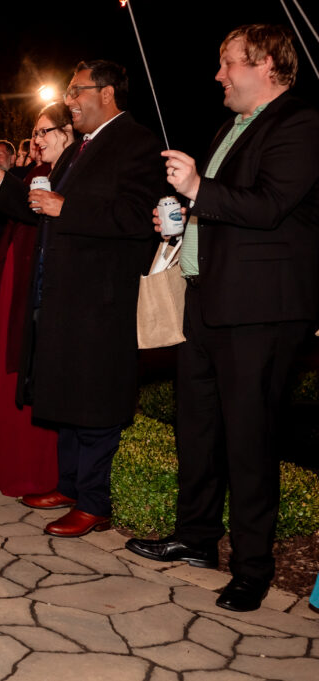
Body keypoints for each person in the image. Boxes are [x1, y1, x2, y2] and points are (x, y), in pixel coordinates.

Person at [126, 25, 319, 612]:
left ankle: (254, 568)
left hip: (260, 311)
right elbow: (217, 209)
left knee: (250, 438)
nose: (218, 76)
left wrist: (197, 188)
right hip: (206, 301)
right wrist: (179, 219)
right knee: (199, 427)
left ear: (263, 63)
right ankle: (197, 539)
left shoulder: (301, 123)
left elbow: (269, 207)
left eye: (226, 64)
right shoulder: (229, 128)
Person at [0, 60, 165, 537]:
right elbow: (41, 209)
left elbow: (140, 217)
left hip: (100, 297)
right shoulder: (80, 149)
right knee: (65, 390)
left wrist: (69, 207)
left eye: (76, 91)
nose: (69, 101)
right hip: (60, 294)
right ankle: (70, 485)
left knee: (95, 396)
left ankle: (95, 502)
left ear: (107, 93)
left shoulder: (137, 142)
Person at [0, 102, 72, 498]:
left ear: (67, 132)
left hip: (37, 286)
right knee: (10, 374)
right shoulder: (37, 173)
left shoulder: (68, 174)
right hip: (11, 280)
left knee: (31, 374)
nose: (35, 140)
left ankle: (38, 472)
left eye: (42, 132)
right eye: (34, 133)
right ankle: (11, 465)